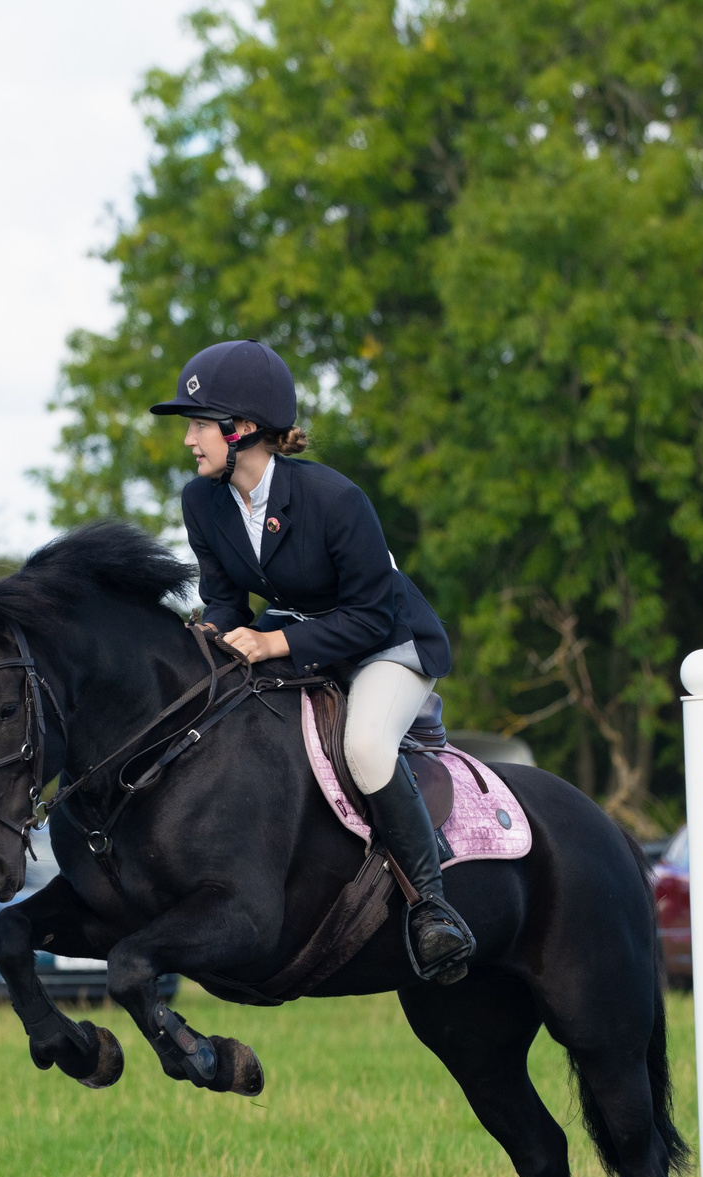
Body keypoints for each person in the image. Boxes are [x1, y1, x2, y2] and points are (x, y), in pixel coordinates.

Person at [150, 339, 477, 984]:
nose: (188, 440)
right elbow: (222, 600)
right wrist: (200, 642)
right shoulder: (203, 502)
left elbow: (373, 616)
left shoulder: (333, 498)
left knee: (364, 748)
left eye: (196, 424)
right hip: (301, 633)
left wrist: (273, 644)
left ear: (240, 430)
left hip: (389, 641)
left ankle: (433, 907)